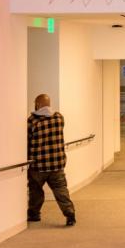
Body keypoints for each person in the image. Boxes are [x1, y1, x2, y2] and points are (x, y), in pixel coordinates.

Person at [27, 94, 76, 226]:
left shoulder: (32, 121)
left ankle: (34, 214)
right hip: (57, 164)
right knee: (61, 190)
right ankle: (70, 213)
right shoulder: (59, 118)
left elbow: (27, 141)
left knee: (35, 191)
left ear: (37, 104)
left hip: (38, 165)